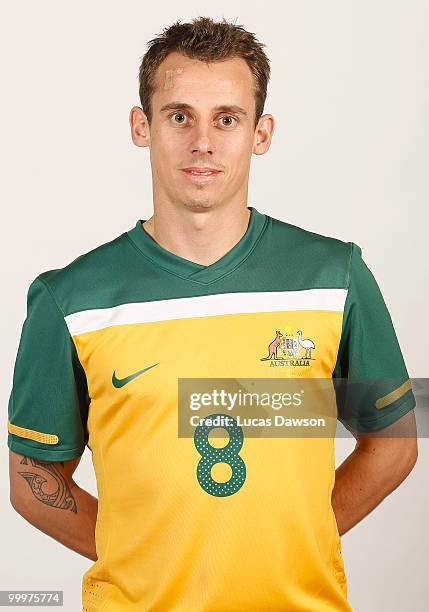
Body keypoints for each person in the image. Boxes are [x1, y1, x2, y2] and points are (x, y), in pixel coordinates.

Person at [7, 16, 417, 611]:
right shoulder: (69, 299)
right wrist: (146, 554)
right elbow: (32, 480)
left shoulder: (335, 277)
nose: (203, 141)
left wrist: (300, 540)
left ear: (261, 132)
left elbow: (395, 443)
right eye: (179, 116)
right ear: (140, 126)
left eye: (227, 118)